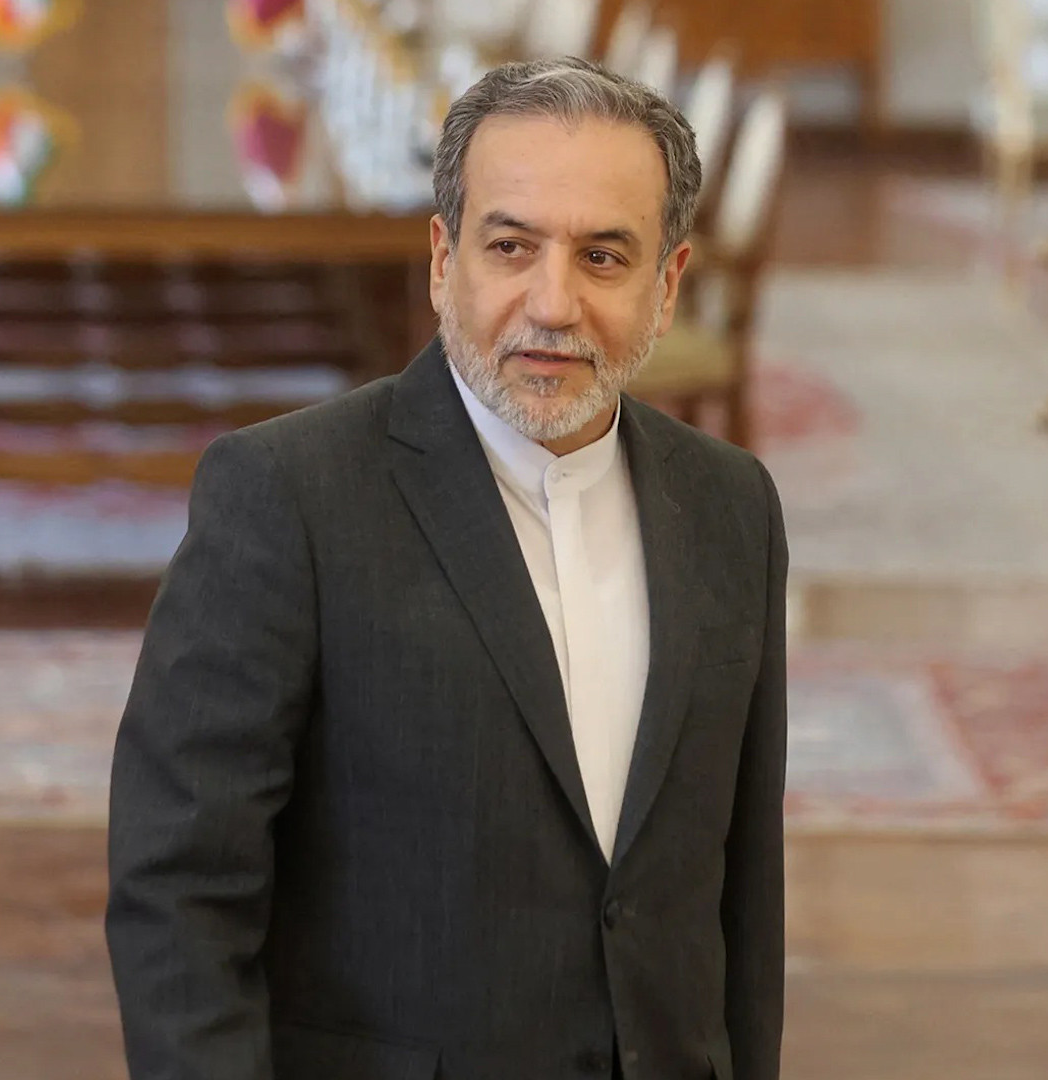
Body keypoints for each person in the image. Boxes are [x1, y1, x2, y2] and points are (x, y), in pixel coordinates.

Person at [105, 58, 787, 1080]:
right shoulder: (288, 497)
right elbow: (178, 893)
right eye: (511, 247)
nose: (552, 303)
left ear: (668, 284)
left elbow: (743, 895)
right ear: (441, 260)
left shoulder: (733, 508)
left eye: (603, 257)